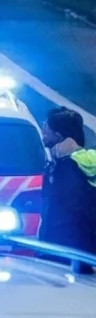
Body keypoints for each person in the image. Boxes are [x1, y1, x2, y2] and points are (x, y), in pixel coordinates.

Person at [41, 107, 96, 254]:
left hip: (65, 247)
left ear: (58, 136)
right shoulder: (82, 161)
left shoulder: (67, 167)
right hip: (85, 245)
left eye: (46, 129)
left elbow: (69, 209)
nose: (43, 133)